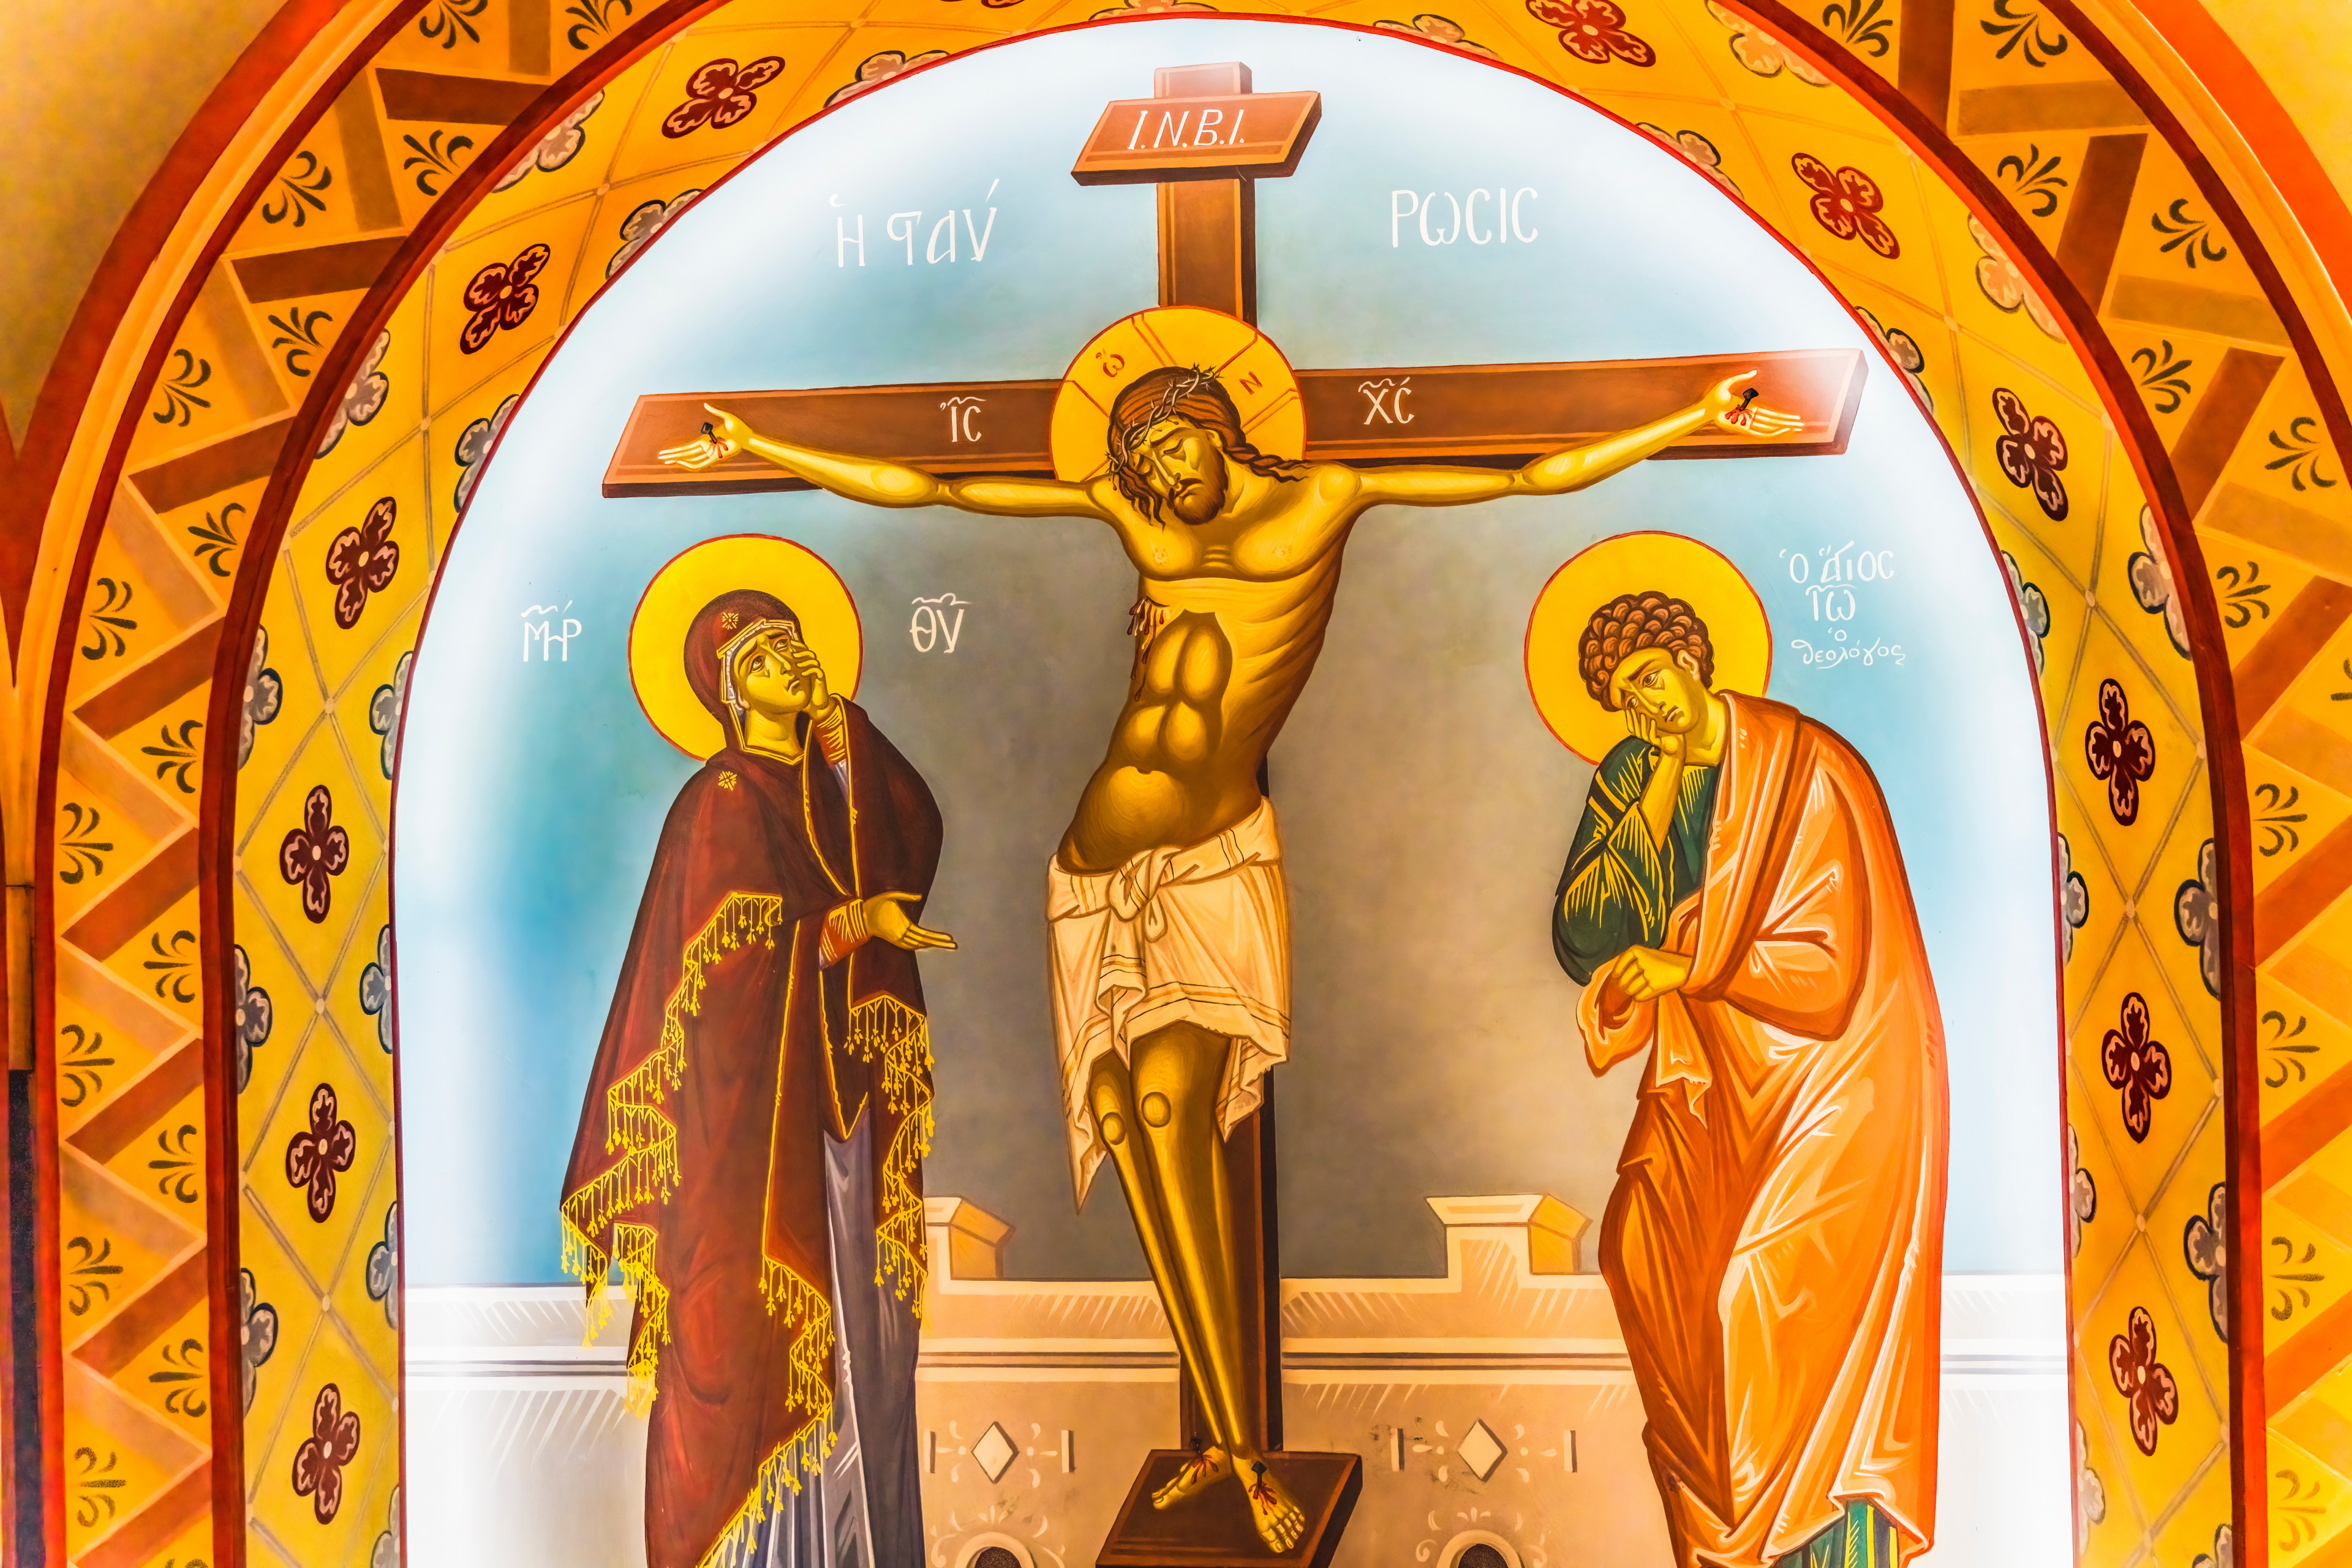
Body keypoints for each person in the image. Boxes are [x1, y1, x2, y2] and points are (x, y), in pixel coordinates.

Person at [662, 363, 1798, 1548]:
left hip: (1207, 862)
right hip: (1090, 876)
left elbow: (1525, 471)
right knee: (1129, 1130)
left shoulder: (1322, 498)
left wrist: (1690, 417)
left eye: (1173, 449)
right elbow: (935, 486)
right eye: (1142, 462)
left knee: (1170, 1111)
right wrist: (764, 444)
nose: (1161, 477)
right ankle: (1218, 1441)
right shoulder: (1140, 516)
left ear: (1218, 429)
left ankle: (1245, 1447)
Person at [1553, 590, 1948, 1568]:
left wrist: (1688, 962)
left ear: (1693, 661)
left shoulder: (1805, 766)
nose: (1644, 703)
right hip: (1716, 1075)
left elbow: (1830, 964)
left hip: (1837, 1076)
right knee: (1642, 1255)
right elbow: (1586, 935)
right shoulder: (1633, 775)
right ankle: (1726, 1534)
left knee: (1759, 1297)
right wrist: (1655, 788)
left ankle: (1815, 1546)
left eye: (1651, 676)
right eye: (1622, 695)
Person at [560, 590, 953, 1568]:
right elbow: (723, 978)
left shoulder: (830, 787)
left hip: (837, 1122)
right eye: (768, 654)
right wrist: (848, 927)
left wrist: (844, 734)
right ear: (734, 691)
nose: (795, 658)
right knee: (755, 1351)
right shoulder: (721, 801)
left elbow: (911, 833)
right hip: (747, 1158)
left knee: (864, 1348)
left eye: (796, 641)